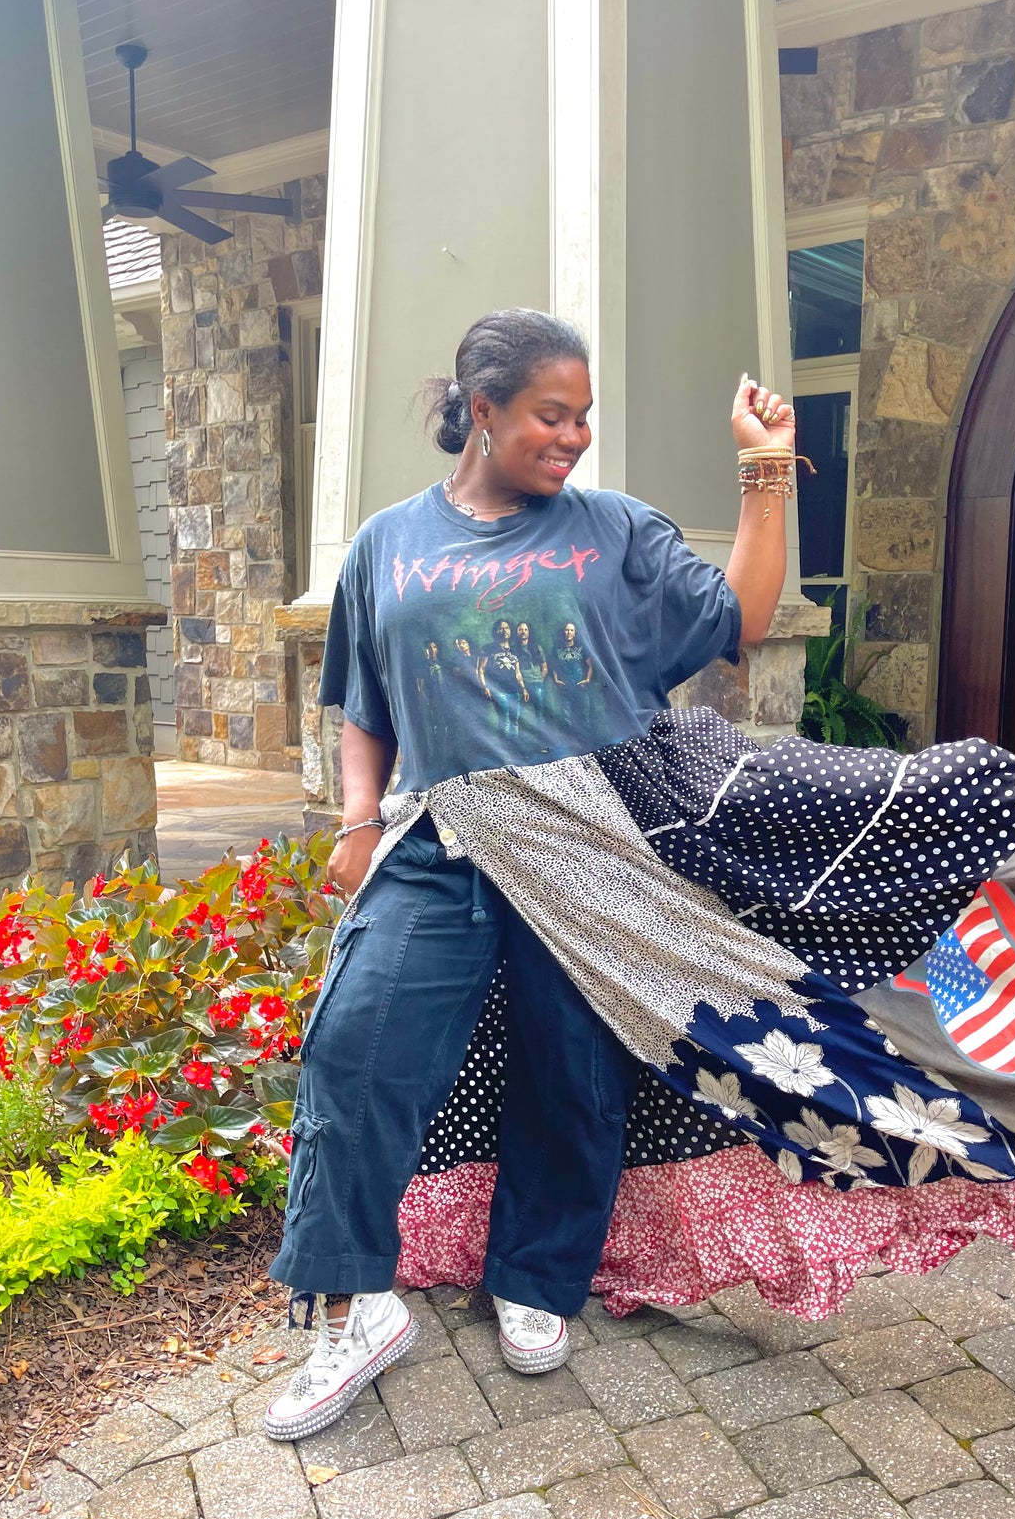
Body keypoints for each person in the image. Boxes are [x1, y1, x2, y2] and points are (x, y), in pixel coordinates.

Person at [264, 307, 788, 1438]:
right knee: (354, 1049)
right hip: (438, 839)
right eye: (552, 415)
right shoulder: (385, 544)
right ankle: (353, 1306)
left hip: (586, 846)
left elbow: (737, 618)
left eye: (583, 417)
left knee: (572, 1073)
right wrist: (356, 817)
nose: (573, 437)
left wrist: (763, 469)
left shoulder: (615, 530)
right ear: (483, 408)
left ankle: (536, 1276)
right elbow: (363, 701)